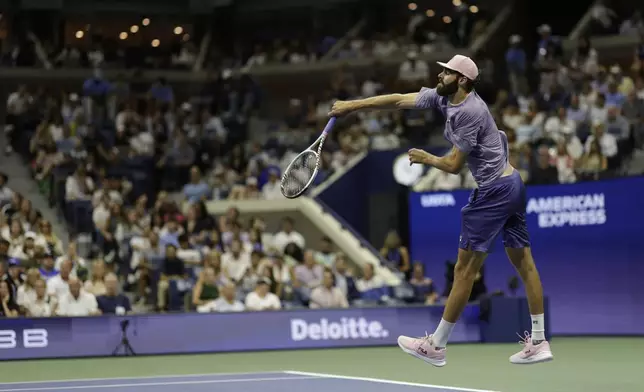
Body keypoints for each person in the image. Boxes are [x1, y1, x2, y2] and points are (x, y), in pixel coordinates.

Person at [329, 54, 553, 366]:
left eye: (447, 72)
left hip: (494, 191)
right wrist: (352, 106)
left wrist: (425, 158)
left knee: (464, 271)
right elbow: (397, 101)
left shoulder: (469, 112)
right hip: (512, 183)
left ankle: (436, 345)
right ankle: (540, 341)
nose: (440, 74)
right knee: (525, 264)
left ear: (462, 80)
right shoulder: (442, 96)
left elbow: (452, 164)